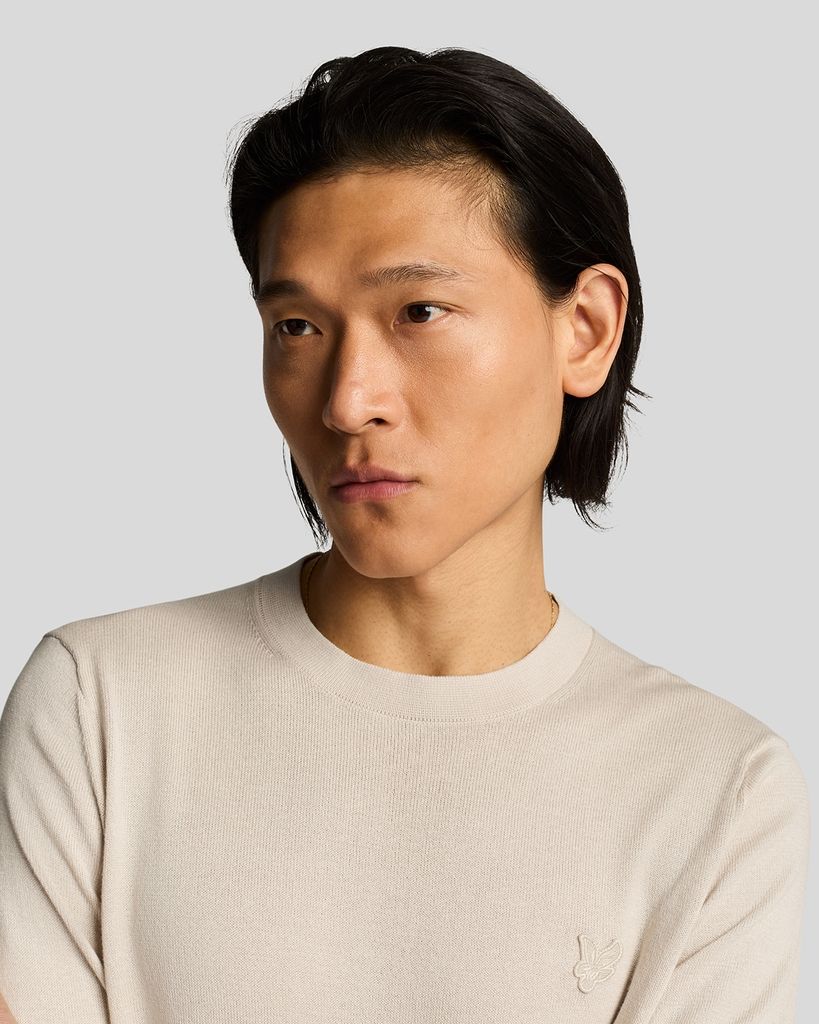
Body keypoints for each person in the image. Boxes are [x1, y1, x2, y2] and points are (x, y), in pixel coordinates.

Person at [0, 45, 810, 1023]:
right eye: (297, 327)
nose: (348, 400)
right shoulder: (100, 706)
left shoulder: (715, 788)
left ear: (587, 328)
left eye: (419, 311)